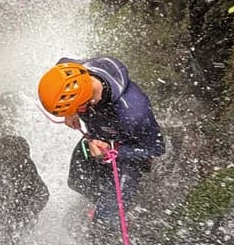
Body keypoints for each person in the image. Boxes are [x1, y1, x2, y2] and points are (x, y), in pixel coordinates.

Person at [37, 57, 164, 224]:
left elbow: (157, 148)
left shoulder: (133, 113)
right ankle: (101, 198)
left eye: (78, 108)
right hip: (99, 137)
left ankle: (123, 213)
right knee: (76, 181)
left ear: (86, 100)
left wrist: (115, 151)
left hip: (126, 150)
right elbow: (61, 64)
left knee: (105, 219)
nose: (77, 112)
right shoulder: (75, 74)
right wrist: (70, 112)